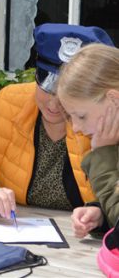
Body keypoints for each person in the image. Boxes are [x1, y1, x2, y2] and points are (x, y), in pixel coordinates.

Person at [0, 23, 114, 220]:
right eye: (46, 84)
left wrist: (100, 214)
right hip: (13, 229)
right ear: (35, 74)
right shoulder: (9, 103)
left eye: (67, 94)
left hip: (85, 244)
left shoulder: (104, 118)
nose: (54, 102)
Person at [56, 43, 119, 238]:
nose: (76, 127)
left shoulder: (107, 147)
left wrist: (103, 157)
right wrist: (101, 215)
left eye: (81, 116)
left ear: (113, 100)